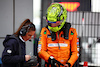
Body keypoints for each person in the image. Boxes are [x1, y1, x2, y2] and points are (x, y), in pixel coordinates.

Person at [38, 3, 79, 67]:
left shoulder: (72, 32)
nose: (52, 25)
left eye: (55, 23)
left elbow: (75, 52)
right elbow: (40, 51)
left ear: (62, 19)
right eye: (50, 23)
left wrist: (69, 64)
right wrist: (51, 60)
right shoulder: (45, 31)